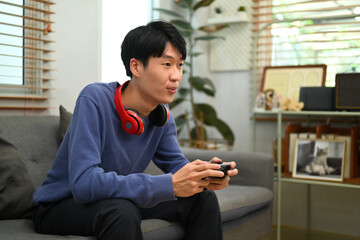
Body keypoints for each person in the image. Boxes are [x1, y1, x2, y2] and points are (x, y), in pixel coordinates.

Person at [32, 20, 238, 240]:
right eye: (167, 64)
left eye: (180, 65)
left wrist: (204, 176)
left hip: (118, 200)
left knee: (202, 198)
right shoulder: (94, 99)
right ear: (136, 67)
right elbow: (84, 183)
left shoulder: (161, 114)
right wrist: (167, 184)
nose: (176, 76)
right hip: (60, 205)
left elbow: (177, 165)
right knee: (121, 211)